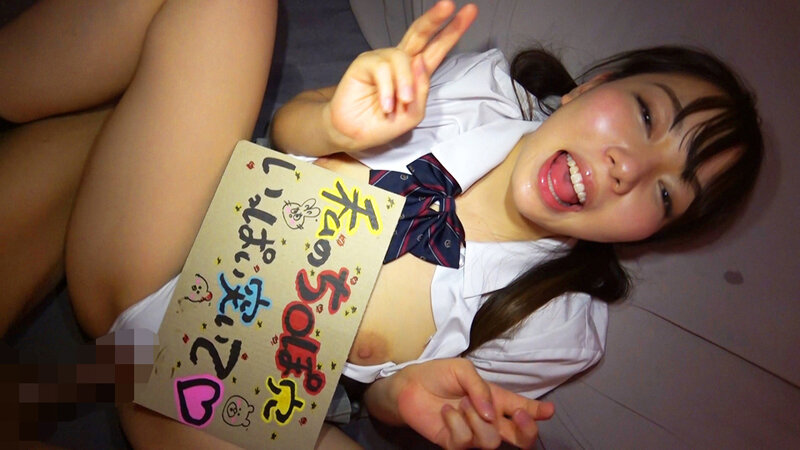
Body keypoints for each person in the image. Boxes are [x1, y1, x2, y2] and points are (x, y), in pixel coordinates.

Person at [0, 1, 762, 449]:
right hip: (164, 238)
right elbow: (291, 131)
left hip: (214, 404)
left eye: (667, 194)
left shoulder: (558, 327)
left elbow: (399, 405)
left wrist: (406, 400)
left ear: (644, 235)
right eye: (646, 116)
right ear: (593, 85)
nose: (631, 167)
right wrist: (334, 123)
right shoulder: (485, 92)